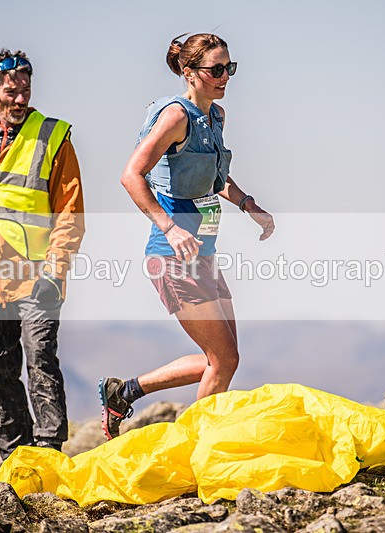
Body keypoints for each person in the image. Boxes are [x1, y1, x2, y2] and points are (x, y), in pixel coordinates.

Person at [100, 33, 275, 440]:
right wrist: (169, 226)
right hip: (172, 257)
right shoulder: (175, 117)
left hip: (204, 257)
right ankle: (194, 449)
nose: (225, 76)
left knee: (221, 358)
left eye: (229, 68)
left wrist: (248, 204)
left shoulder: (216, 117)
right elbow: (131, 175)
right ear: (189, 73)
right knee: (224, 359)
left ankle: (124, 391)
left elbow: (215, 176)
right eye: (216, 69)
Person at [0, 49, 84, 459]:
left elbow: (70, 213)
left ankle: (48, 451)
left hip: (37, 275)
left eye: (26, 90)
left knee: (40, 360)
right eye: (12, 92)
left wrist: (54, 271)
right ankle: (14, 456)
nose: (21, 100)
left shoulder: (53, 137)